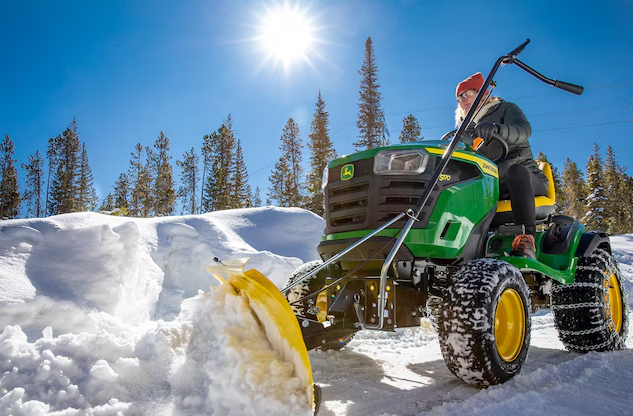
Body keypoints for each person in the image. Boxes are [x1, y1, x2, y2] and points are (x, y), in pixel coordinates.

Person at [454, 72, 549, 259]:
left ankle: (526, 239)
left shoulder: (505, 109)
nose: (462, 100)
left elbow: (523, 131)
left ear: (483, 94)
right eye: (459, 98)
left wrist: (497, 129)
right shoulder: (466, 130)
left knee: (516, 171)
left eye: (467, 94)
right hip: (493, 187)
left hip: (525, 180)